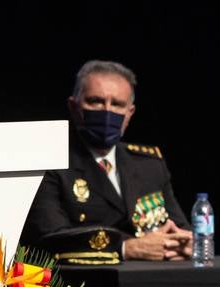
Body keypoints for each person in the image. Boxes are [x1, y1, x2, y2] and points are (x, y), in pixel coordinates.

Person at [23, 60, 192, 261]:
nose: (107, 111)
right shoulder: (51, 162)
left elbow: (182, 229)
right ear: (74, 107)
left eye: (117, 105)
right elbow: (51, 238)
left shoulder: (149, 164)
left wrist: (186, 243)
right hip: (85, 283)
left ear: (129, 113)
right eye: (96, 101)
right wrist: (125, 248)